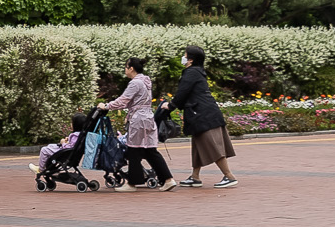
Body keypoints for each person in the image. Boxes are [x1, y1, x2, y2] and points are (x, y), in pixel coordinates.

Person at [100, 55, 170, 189]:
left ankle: (132, 183)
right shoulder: (146, 81)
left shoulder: (135, 83)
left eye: (126, 67)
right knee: (150, 150)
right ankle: (168, 179)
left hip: (138, 119)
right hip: (148, 118)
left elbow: (123, 100)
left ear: (131, 68)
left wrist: (107, 106)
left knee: (133, 150)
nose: (125, 70)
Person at [171, 45, 236, 188]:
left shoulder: (191, 73)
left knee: (212, 145)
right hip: (206, 112)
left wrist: (170, 106)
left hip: (203, 114)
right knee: (199, 146)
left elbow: (183, 92)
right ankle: (195, 177)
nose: (183, 57)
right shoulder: (198, 71)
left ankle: (229, 176)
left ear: (191, 59)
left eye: (185, 55)